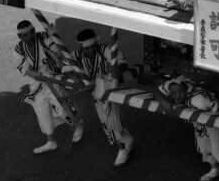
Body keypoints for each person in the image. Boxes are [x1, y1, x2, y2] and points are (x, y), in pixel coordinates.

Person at [62, 28, 135, 167]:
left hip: (109, 90)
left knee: (112, 119)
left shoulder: (104, 50)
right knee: (105, 121)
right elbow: (65, 69)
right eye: (87, 48)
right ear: (81, 47)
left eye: (93, 46)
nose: (91, 50)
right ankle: (128, 140)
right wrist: (75, 77)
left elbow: (121, 60)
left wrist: (116, 71)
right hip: (95, 93)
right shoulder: (76, 54)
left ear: (96, 43)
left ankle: (121, 149)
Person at [16, 16, 83, 154]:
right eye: (25, 35)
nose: (30, 36)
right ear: (20, 36)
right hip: (37, 82)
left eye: (31, 32)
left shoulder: (44, 37)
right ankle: (51, 142)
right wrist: (41, 75)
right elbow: (28, 71)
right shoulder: (19, 49)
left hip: (53, 77)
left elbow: (57, 52)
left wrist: (54, 38)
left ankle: (78, 124)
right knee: (42, 113)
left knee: (62, 107)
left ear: (34, 30)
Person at [157, 76, 219, 181]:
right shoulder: (170, 85)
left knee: (218, 152)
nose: (177, 96)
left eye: (180, 92)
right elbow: (157, 91)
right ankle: (215, 169)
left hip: (213, 121)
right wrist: (162, 101)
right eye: (173, 93)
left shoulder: (198, 100)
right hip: (199, 122)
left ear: (186, 88)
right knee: (204, 149)